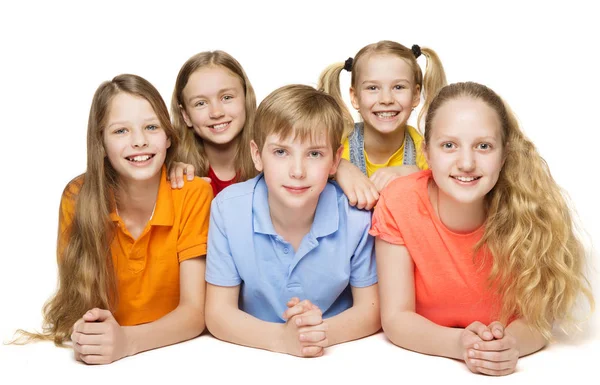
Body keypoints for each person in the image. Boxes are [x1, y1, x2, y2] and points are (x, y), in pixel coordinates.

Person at [371, 81, 595, 375]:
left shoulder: (531, 213)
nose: (466, 163)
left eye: (484, 146)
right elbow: (397, 317)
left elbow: (537, 319)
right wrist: (460, 345)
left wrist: (510, 345)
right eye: (449, 145)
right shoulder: (399, 202)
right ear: (426, 152)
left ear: (503, 155)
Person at [14, 74, 212, 365]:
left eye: (151, 127)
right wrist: (89, 332)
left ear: (168, 136)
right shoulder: (77, 198)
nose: (139, 141)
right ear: (101, 143)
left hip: (181, 355)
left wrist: (128, 342)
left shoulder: (194, 194)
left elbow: (195, 313)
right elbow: (79, 301)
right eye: (121, 131)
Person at [204, 84, 380, 357]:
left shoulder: (356, 216)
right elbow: (218, 312)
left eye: (314, 154)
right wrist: (281, 339)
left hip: (342, 356)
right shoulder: (228, 209)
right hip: (252, 354)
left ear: (335, 161)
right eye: (281, 152)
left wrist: (314, 334)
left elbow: (371, 309)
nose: (297, 171)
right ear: (256, 155)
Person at [319, 40, 447, 209]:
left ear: (416, 95)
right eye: (372, 88)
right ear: (355, 97)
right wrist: (338, 167)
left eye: (399, 87)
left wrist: (415, 173)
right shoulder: (336, 144)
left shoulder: (423, 150)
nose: (386, 99)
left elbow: (446, 194)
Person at [169, 50, 258, 196]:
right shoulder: (176, 172)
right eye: (201, 103)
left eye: (227, 97)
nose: (216, 113)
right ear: (186, 115)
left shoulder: (272, 159)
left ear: (246, 99)